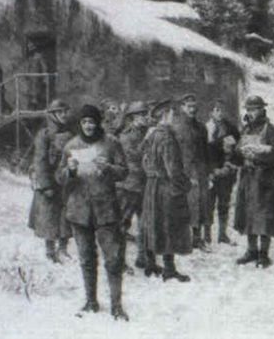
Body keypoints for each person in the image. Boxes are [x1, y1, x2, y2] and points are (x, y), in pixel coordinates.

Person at [55, 104, 129, 321]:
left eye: (92, 121)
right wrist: (68, 170)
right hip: (79, 211)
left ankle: (116, 305)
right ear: (80, 124)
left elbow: (124, 172)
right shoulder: (71, 145)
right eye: (84, 122)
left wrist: (109, 168)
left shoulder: (111, 143)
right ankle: (91, 301)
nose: (88, 126)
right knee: (87, 259)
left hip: (106, 210)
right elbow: (59, 177)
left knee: (113, 259)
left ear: (98, 122)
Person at [141, 99, 193, 282]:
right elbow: (173, 169)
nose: (175, 116)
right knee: (168, 226)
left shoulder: (152, 135)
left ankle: (149, 263)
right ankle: (169, 269)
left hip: (152, 186)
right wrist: (186, 185)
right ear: (165, 115)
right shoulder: (167, 137)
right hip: (166, 188)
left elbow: (145, 161)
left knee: (153, 223)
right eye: (172, 113)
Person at [234, 95, 274, 268]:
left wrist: (257, 157)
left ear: (263, 109)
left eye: (254, 109)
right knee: (248, 215)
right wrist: (236, 152)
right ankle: (251, 251)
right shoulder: (245, 130)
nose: (251, 112)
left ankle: (264, 254)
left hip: (265, 181)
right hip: (248, 179)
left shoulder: (271, 131)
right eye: (248, 109)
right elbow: (237, 152)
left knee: (264, 218)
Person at [28, 100, 74, 263]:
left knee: (66, 216)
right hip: (50, 182)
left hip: (65, 181)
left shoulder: (70, 134)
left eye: (65, 111)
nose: (63, 115)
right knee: (49, 216)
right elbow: (40, 161)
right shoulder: (44, 134)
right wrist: (46, 184)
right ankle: (49, 250)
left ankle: (63, 248)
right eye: (59, 112)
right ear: (52, 115)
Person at [171, 94, 210, 250]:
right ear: (182, 107)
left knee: (199, 204)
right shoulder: (175, 127)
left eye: (194, 106)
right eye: (189, 106)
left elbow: (206, 152)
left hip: (199, 171)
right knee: (180, 204)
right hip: (182, 171)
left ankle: (196, 238)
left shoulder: (201, 127)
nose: (192, 109)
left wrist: (208, 172)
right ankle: (180, 238)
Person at [116, 101, 149, 269]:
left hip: (144, 185)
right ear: (133, 118)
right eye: (142, 115)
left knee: (145, 223)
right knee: (123, 224)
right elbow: (135, 156)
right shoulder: (126, 136)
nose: (146, 117)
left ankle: (142, 258)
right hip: (128, 186)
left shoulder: (146, 133)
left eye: (146, 114)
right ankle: (120, 261)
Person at [206, 100, 240, 244]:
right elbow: (202, 153)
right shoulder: (205, 128)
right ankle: (206, 235)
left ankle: (222, 234)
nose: (219, 113)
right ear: (211, 112)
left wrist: (231, 166)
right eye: (216, 110)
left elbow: (238, 150)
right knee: (208, 204)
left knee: (224, 204)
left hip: (226, 173)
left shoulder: (231, 128)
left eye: (221, 110)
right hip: (211, 173)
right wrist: (210, 171)